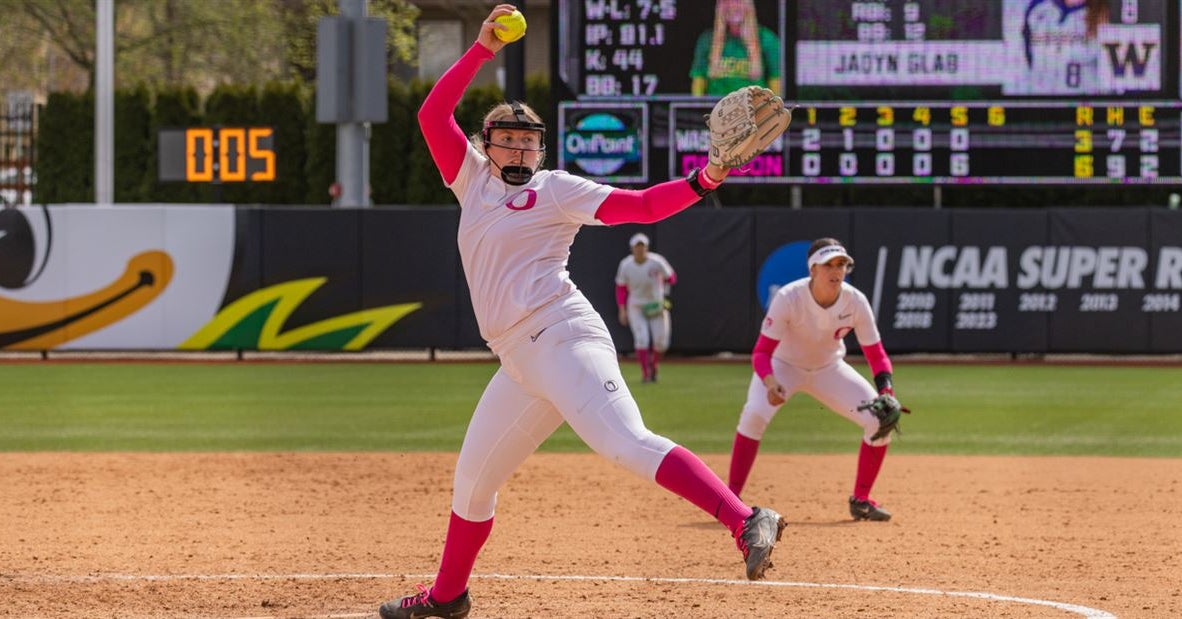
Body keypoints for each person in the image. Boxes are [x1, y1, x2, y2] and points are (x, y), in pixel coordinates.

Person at [379, 6, 786, 618]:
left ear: (540, 148)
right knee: (472, 485)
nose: (517, 147)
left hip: (562, 336)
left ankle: (747, 518)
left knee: (624, 442)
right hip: (518, 362)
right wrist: (481, 49)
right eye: (506, 138)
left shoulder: (557, 189)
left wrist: (704, 179)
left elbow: (643, 207)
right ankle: (447, 595)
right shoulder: (471, 180)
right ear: (485, 145)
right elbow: (432, 114)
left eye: (528, 140)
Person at [727, 238, 904, 522]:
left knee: (880, 419)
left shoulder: (855, 301)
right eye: (828, 265)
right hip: (783, 366)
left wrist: (887, 390)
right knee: (754, 414)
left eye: (842, 264)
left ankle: (861, 500)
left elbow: (877, 355)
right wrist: (770, 382)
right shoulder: (789, 297)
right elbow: (761, 352)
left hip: (828, 368)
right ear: (813, 269)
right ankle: (729, 499)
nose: (836, 271)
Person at [1006, 0, 1110, 95]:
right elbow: (1026, 60)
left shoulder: (1106, 14)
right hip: (1040, 107)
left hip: (1085, 107)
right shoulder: (1036, 8)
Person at [615, 232, 676, 383]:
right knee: (641, 339)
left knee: (661, 342)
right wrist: (622, 309)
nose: (640, 250)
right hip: (636, 305)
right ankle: (645, 373)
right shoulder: (626, 265)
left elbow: (672, 278)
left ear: (647, 248)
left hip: (656, 305)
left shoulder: (656, 262)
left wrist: (664, 283)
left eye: (642, 246)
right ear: (632, 248)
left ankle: (654, 365)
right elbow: (621, 288)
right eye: (637, 247)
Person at [690, 0, 782, 97]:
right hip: (717, 109)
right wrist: (698, 106)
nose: (732, 6)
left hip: (754, 108)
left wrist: (773, 108)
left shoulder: (766, 38)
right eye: (726, 2)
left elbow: (775, 78)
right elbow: (698, 79)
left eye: (738, 1)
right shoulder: (707, 39)